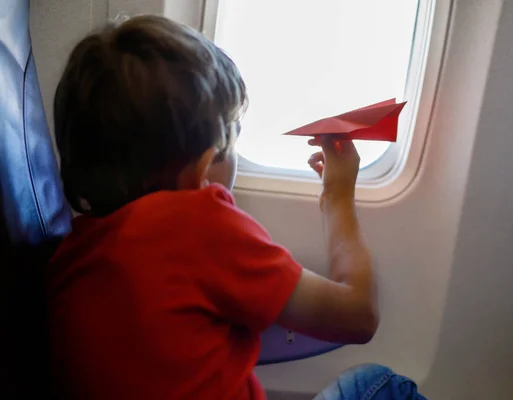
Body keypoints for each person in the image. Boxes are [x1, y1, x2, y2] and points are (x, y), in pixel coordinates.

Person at [46, 14, 427, 400]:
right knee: (379, 385)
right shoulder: (198, 224)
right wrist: (338, 195)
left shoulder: (71, 258)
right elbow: (359, 315)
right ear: (202, 168)